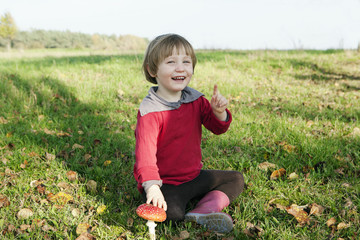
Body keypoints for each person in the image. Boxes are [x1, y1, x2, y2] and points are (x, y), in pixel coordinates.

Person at [133, 33, 244, 233]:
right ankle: (183, 206)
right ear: (152, 70)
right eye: (170, 62)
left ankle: (205, 209)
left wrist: (219, 113)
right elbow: (145, 156)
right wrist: (152, 187)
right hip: (165, 184)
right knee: (172, 215)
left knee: (235, 178)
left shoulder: (196, 100)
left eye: (186, 61)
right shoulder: (150, 111)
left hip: (193, 177)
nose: (180, 68)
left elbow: (217, 128)